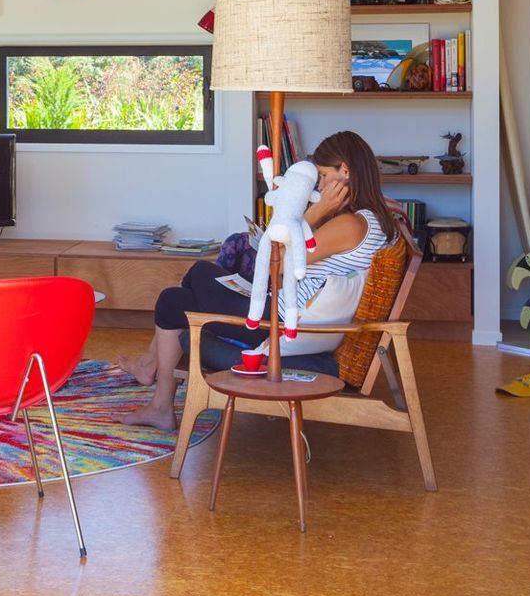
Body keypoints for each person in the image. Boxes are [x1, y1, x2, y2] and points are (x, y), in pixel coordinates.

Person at [120, 130, 400, 431]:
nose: (319, 184)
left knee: (185, 287)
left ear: (344, 171)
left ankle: (157, 391)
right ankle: (155, 386)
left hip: (277, 325)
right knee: (181, 296)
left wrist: (318, 210)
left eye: (322, 175)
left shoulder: (349, 224)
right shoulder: (374, 219)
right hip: (285, 313)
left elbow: (276, 265)